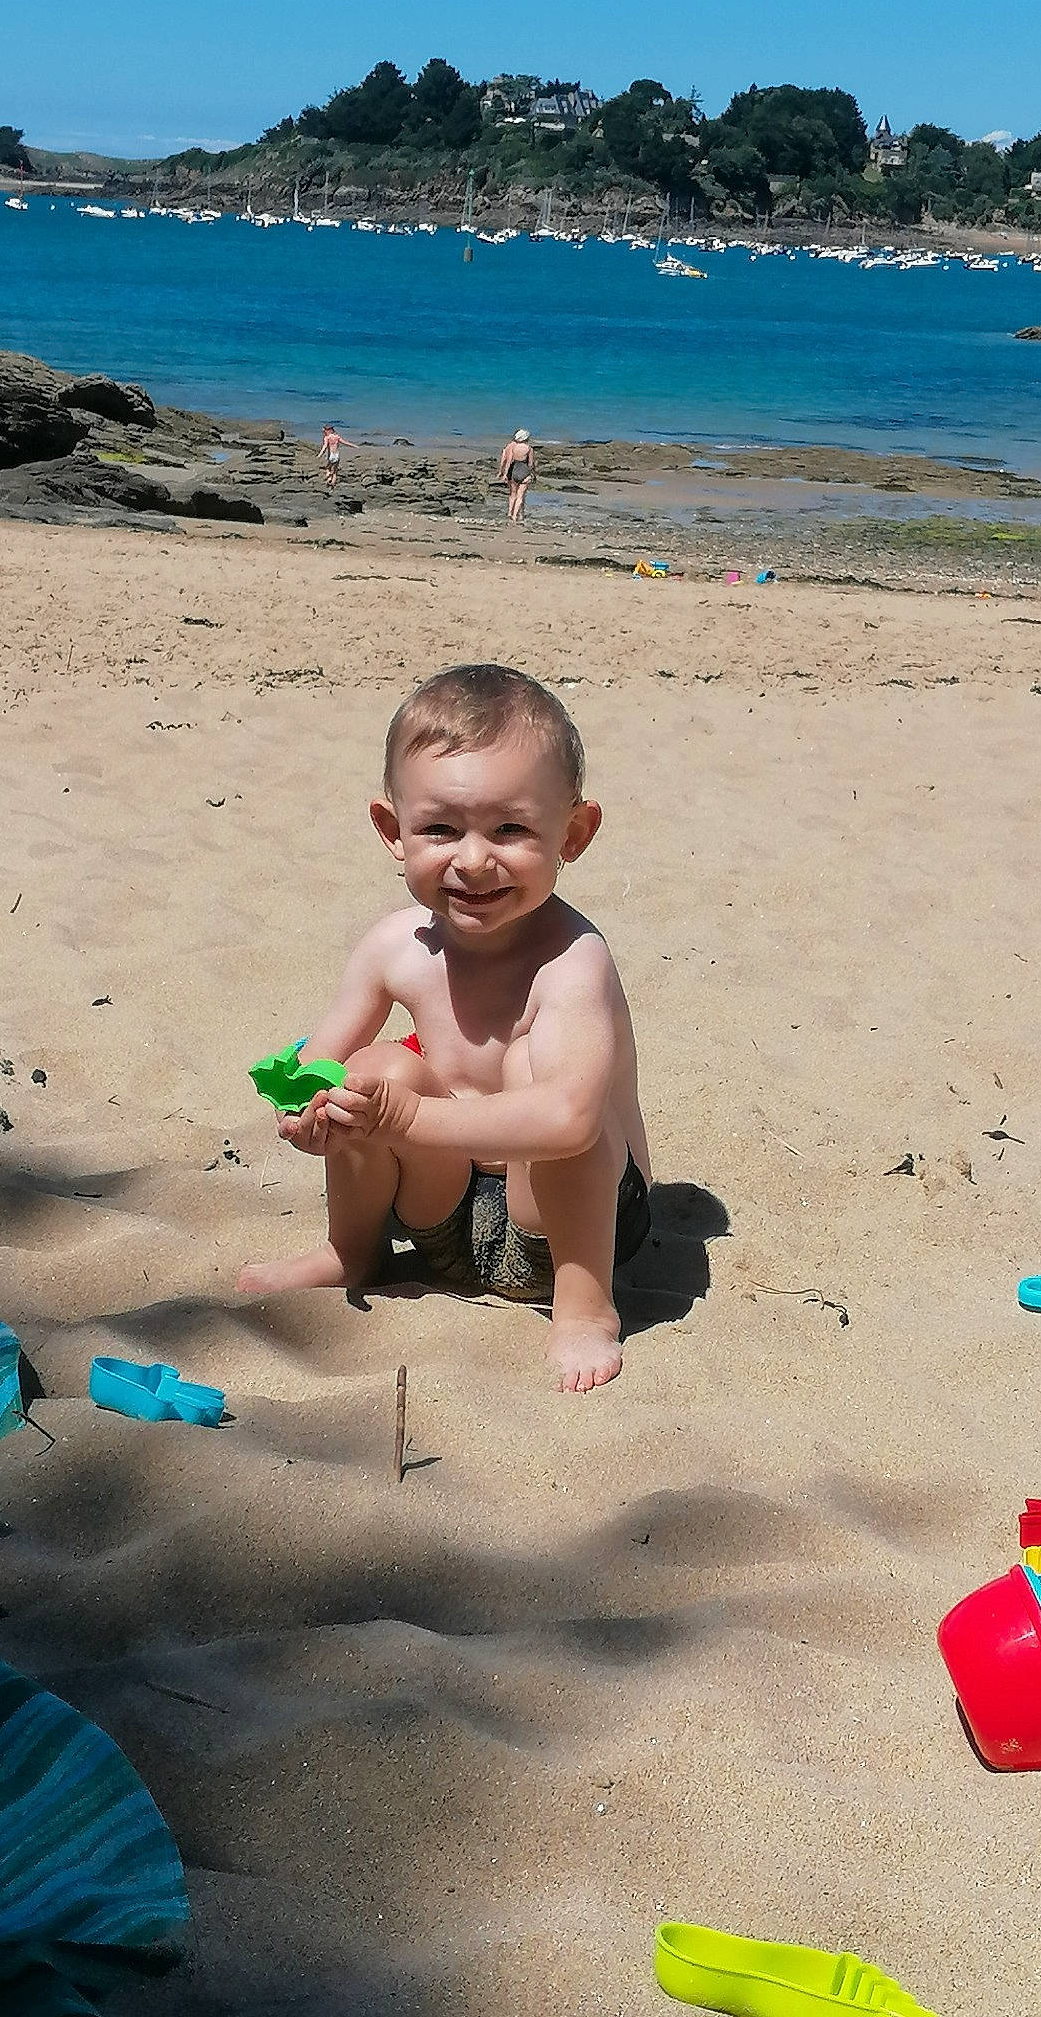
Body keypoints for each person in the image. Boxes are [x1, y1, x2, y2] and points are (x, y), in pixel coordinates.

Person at [238, 664, 653, 1394]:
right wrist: (308, 1113)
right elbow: (319, 1062)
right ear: (392, 832)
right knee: (372, 1070)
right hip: (444, 1223)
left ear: (573, 833)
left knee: (534, 1073)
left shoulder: (573, 962)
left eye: (511, 829)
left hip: (566, 1231)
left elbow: (568, 1119)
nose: (473, 860)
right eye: (440, 829)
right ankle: (353, 1252)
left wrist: (405, 1117)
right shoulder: (394, 948)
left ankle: (586, 1309)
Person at [497, 427, 535, 523]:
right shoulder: (529, 448)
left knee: (512, 494)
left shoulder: (513, 447)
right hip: (524, 471)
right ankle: (515, 516)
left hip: (514, 470)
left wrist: (505, 473)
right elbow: (530, 464)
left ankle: (510, 512)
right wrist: (533, 473)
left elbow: (508, 460)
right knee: (520, 496)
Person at [319, 423, 347, 490]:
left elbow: (324, 447)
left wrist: (320, 455)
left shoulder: (327, 438)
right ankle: (332, 485)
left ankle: (329, 478)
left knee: (327, 468)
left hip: (331, 456)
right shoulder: (337, 437)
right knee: (335, 472)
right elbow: (345, 442)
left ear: (327, 430)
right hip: (336, 455)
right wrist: (354, 446)